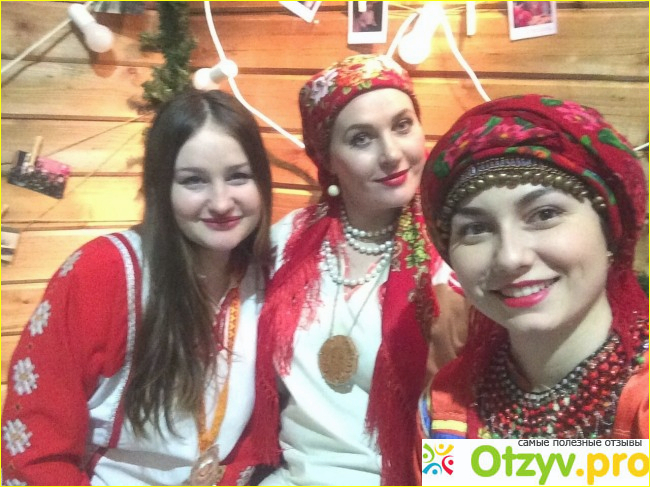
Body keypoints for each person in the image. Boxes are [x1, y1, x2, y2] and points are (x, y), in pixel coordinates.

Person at [1, 89, 273, 485]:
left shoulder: (266, 276)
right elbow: (36, 452)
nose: (220, 202)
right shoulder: (102, 272)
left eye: (238, 176)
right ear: (162, 188)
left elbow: (260, 433)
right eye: (193, 180)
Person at [249, 54, 467, 485]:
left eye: (402, 126)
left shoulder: (455, 254)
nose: (391, 154)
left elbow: (481, 420)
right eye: (361, 138)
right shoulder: (285, 243)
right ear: (326, 158)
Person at [419, 94, 648, 439]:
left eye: (544, 214)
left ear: (610, 229)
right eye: (476, 229)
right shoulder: (445, 409)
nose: (510, 257)